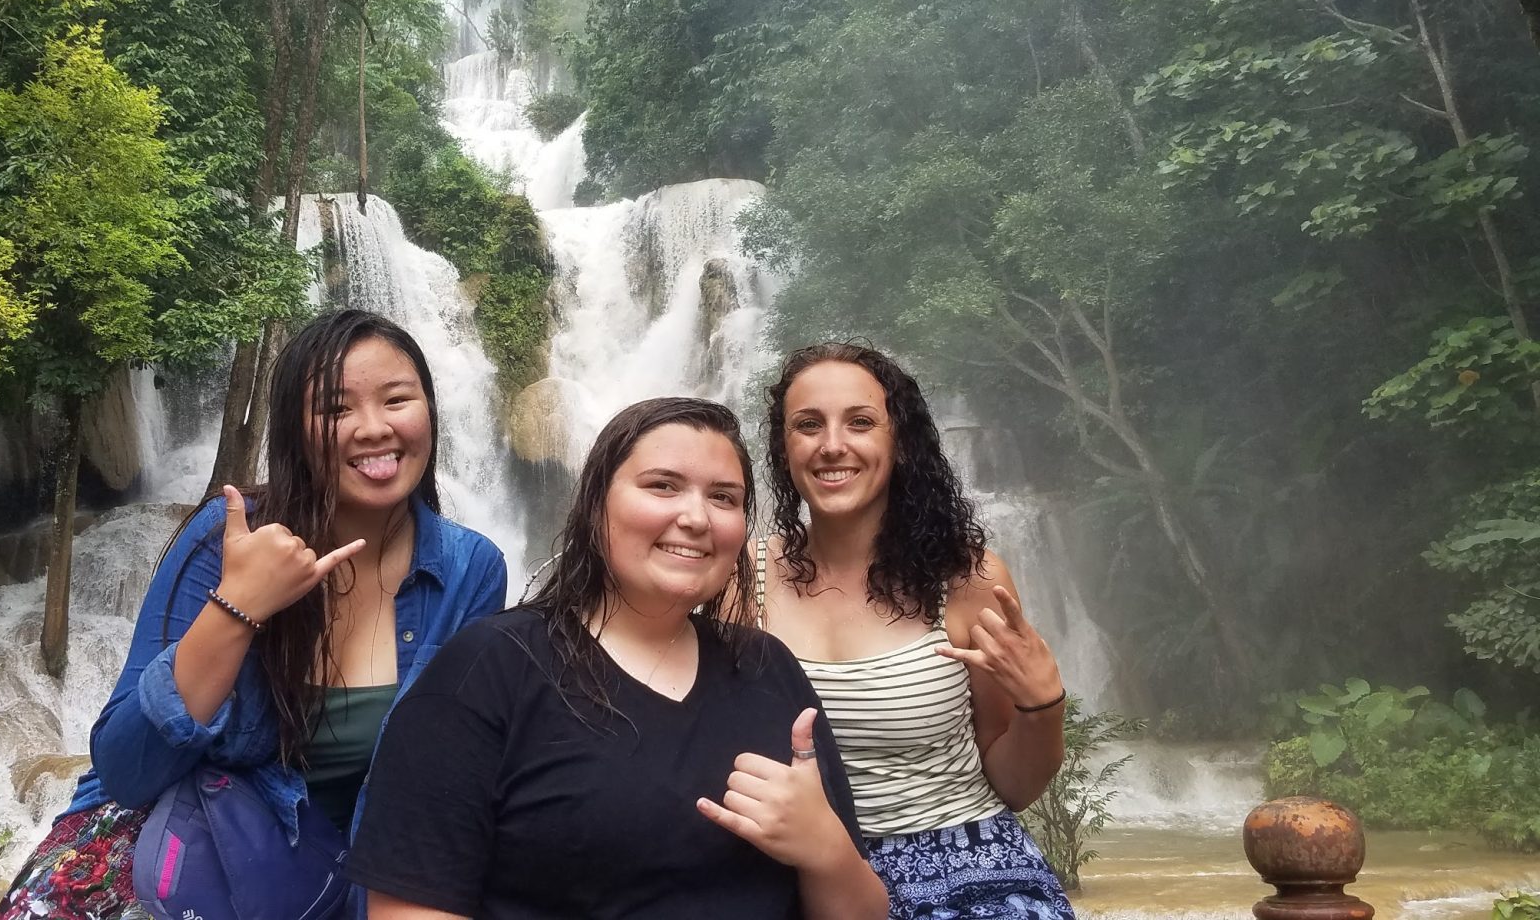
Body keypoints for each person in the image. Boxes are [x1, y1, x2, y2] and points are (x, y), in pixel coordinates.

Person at [0, 309, 509, 920]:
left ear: (429, 410)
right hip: (176, 845)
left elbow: (445, 785)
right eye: (336, 410)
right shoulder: (225, 538)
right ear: (295, 429)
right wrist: (239, 608)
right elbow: (130, 770)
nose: (373, 429)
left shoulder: (472, 570)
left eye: (397, 399)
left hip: (350, 873)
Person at [346, 396, 889, 920]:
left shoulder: (766, 666)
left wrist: (826, 849)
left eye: (724, 498)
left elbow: (864, 913)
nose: (696, 517)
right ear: (595, 504)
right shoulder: (487, 669)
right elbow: (409, 906)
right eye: (662, 486)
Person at [754, 342, 1073, 919]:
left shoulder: (967, 580)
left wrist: (1042, 704)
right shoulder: (738, 581)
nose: (832, 445)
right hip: (792, 869)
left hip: (964, 864)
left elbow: (1014, 786)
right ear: (783, 448)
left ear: (899, 442)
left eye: (860, 422)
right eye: (807, 425)